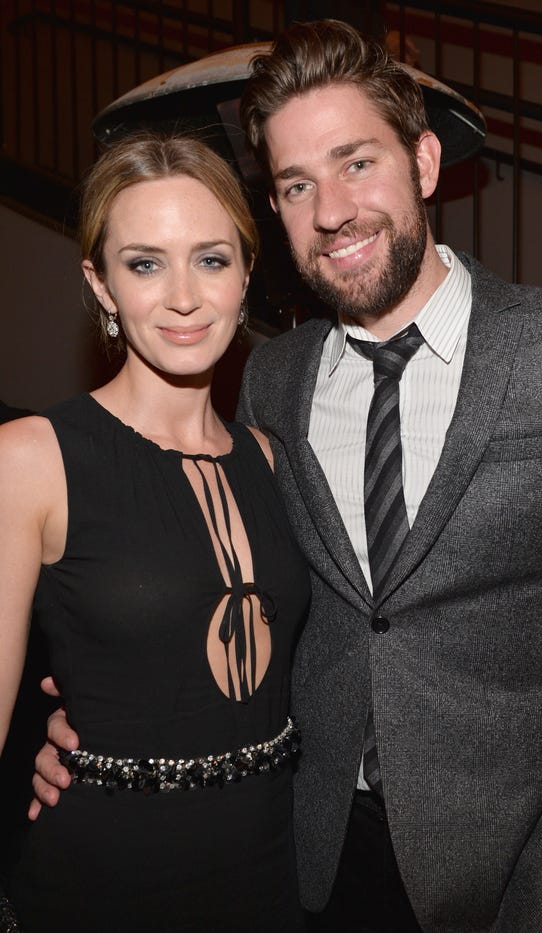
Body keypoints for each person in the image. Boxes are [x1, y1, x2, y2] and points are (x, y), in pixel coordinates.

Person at [33, 19, 542, 933]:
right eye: (295, 184)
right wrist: (101, 726)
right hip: (305, 854)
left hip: (517, 872)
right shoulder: (272, 380)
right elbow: (224, 589)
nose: (331, 211)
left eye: (357, 163)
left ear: (425, 163)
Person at [0, 132, 309, 932]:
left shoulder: (273, 458)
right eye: (144, 263)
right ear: (100, 284)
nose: (184, 296)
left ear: (247, 273)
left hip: (271, 882)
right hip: (102, 890)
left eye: (211, 259)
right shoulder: (31, 458)